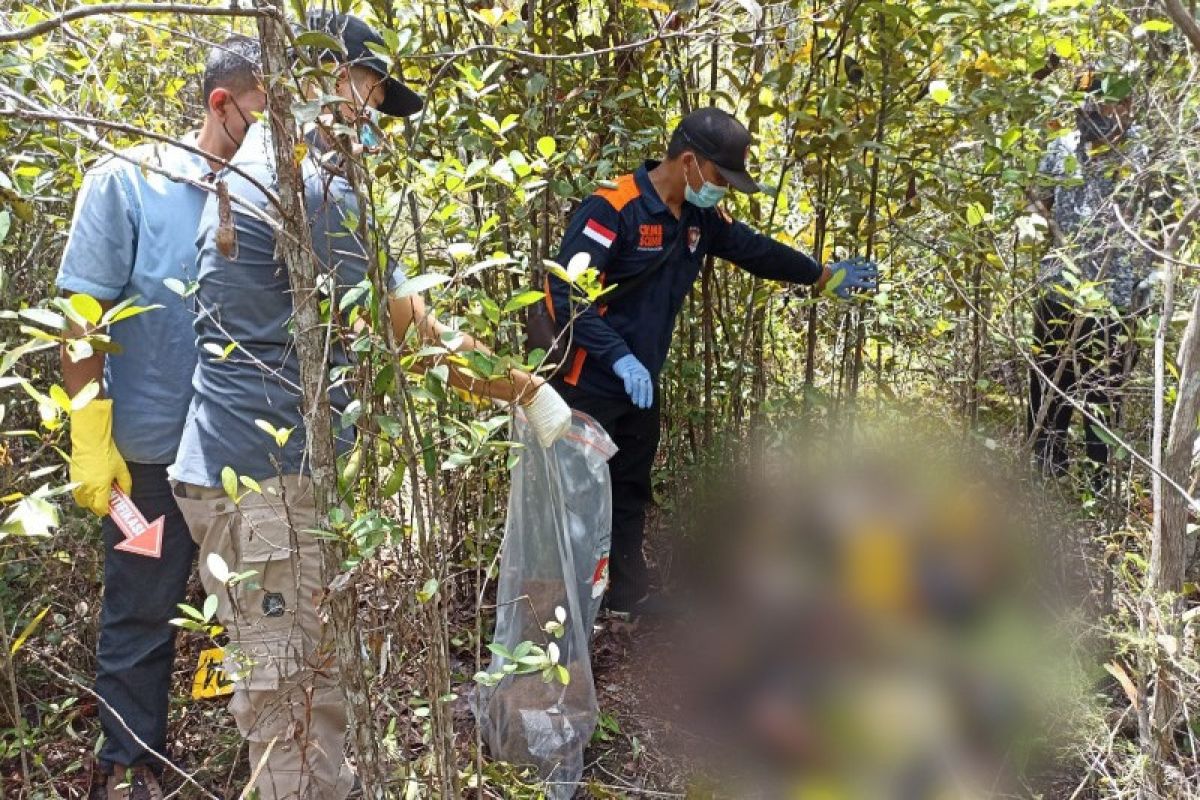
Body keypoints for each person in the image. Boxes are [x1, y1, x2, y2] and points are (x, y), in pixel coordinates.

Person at [166, 13, 571, 799]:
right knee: (294, 710)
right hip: (263, 491)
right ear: (315, 80)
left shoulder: (258, 163)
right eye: (367, 90)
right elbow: (406, 335)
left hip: (241, 475)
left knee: (296, 694)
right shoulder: (311, 186)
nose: (372, 115)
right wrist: (524, 390)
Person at [544, 107, 879, 621]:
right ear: (688, 162)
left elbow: (753, 250)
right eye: (721, 177)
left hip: (640, 385)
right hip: (587, 381)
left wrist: (818, 274)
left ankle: (626, 597)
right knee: (574, 500)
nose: (722, 188)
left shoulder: (699, 216)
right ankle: (556, 621)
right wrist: (619, 357)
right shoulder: (612, 209)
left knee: (631, 488)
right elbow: (568, 295)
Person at [56, 36, 266, 800]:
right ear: (222, 105)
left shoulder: (275, 198)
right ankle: (129, 760)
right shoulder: (129, 184)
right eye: (263, 118)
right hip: (145, 464)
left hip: (244, 458)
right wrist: (89, 432)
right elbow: (82, 317)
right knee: (141, 610)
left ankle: (267, 762)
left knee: (254, 614)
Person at [1027, 71, 1160, 485]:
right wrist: (1039, 219)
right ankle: (1046, 473)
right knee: (1050, 382)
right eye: (1100, 104)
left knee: (1104, 389)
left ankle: (1100, 483)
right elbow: (1036, 197)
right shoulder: (1061, 148)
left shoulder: (1144, 154)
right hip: (1060, 286)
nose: (1110, 114)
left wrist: (1151, 282)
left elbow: (1162, 221)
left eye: (1119, 105)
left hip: (1119, 295)